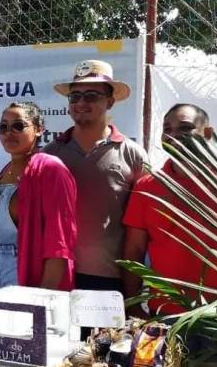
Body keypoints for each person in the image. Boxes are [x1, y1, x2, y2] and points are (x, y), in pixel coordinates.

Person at [122, 104, 217, 315]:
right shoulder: (147, 187)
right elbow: (134, 252)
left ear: (207, 134)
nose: (174, 136)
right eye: (167, 129)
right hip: (168, 315)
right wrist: (132, 306)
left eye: (185, 128)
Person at [43, 60, 147, 292]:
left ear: (109, 102)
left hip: (110, 280)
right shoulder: (50, 154)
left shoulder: (133, 155)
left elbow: (142, 226)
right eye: (74, 96)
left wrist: (133, 289)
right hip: (58, 278)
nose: (81, 102)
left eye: (91, 95)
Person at [0, 102, 77, 291]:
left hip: (32, 284)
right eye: (3, 127)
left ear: (39, 129)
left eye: (18, 126)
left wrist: (43, 299)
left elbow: (60, 242)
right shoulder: (3, 172)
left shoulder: (51, 170)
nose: (9, 132)